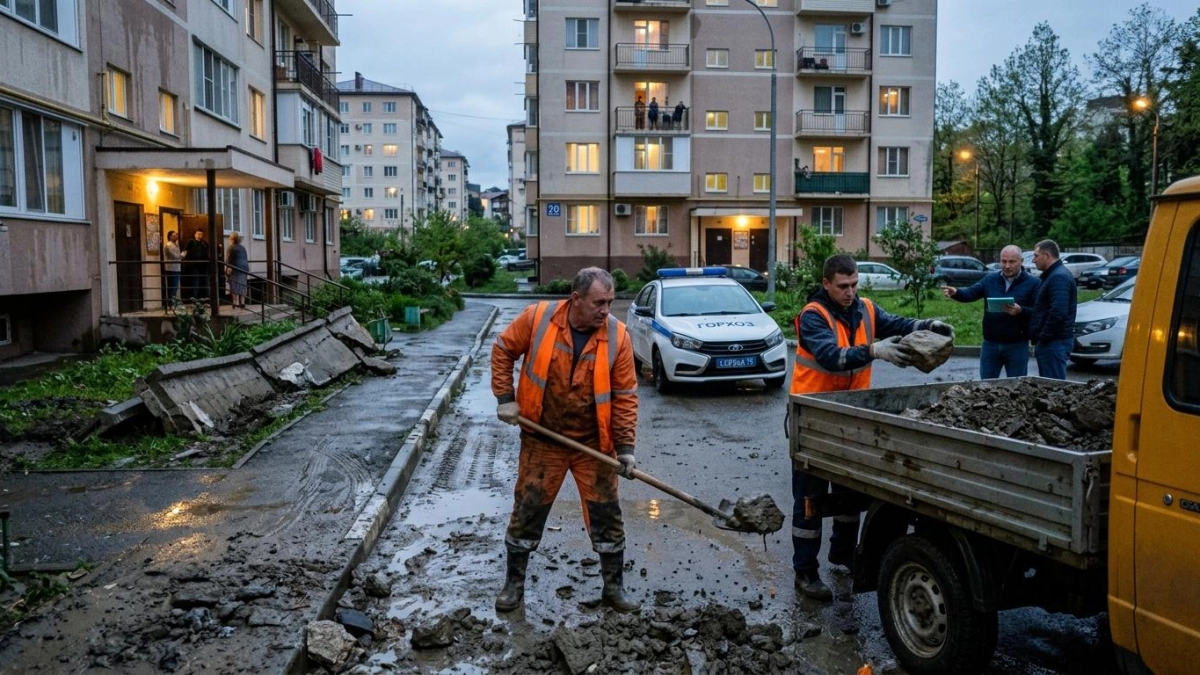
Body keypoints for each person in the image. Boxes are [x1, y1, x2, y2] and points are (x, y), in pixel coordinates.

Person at [790, 254, 954, 601]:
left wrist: (928, 325)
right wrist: (874, 350)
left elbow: (896, 322)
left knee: (851, 493)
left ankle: (842, 553)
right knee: (809, 500)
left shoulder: (865, 307)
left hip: (853, 414)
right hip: (814, 415)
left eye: (854, 285)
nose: (850, 292)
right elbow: (830, 356)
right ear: (826, 285)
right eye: (842, 286)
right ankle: (805, 572)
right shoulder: (812, 316)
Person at [491, 267, 640, 614]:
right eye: (599, 303)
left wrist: (627, 449)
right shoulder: (539, 318)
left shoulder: (618, 337)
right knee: (528, 508)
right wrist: (505, 398)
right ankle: (514, 586)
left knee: (607, 514)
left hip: (593, 445)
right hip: (544, 439)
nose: (606, 310)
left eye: (610, 302)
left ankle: (613, 590)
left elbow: (625, 396)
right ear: (576, 299)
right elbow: (502, 350)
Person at [942, 245, 1038, 379]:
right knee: (986, 386)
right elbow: (971, 293)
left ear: (1021, 261)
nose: (1007, 266)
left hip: (1017, 345)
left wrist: (1020, 310)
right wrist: (956, 292)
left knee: (1017, 387)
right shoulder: (990, 279)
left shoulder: (1033, 283)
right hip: (991, 344)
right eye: (1003, 261)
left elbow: (1039, 312)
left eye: (1012, 262)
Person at [1028, 239, 1077, 380]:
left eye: (1036, 256)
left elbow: (1058, 312)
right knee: (1049, 385)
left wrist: (1043, 337)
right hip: (1052, 342)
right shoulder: (1053, 276)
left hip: (1054, 343)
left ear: (1047, 255)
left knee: (1053, 387)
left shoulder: (1058, 277)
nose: (1033, 260)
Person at [184, 229, 211, 300]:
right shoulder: (191, 242)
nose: (200, 236)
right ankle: (195, 298)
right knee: (195, 281)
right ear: (195, 234)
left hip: (203, 266)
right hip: (194, 265)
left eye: (201, 234)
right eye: (198, 234)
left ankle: (204, 297)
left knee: (204, 281)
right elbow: (185, 251)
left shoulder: (204, 243)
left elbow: (208, 252)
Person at [226, 232, 249, 309]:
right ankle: (242, 302)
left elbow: (229, 258)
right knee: (242, 284)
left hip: (236, 268)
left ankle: (235, 302)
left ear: (231, 239)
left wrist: (228, 268)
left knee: (234, 284)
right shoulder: (242, 247)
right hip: (244, 268)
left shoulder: (231, 247)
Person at [164, 230, 182, 307]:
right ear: (170, 236)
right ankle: (170, 303)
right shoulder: (168, 245)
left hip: (177, 267)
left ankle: (174, 302)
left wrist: (180, 256)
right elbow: (176, 256)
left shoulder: (176, 245)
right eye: (175, 235)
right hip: (171, 268)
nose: (176, 236)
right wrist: (183, 254)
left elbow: (179, 257)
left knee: (176, 286)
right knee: (172, 286)